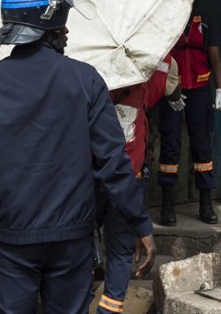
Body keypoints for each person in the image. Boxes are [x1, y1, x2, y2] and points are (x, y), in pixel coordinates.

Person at [0, 0, 156, 313]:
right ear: (51, 25)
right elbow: (113, 162)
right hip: (72, 240)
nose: (67, 31)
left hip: (11, 234)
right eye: (64, 23)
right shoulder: (86, 79)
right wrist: (139, 222)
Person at [98, 54, 181, 314]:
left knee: (79, 249)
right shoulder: (155, 70)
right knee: (121, 253)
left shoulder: (88, 75)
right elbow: (172, 82)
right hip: (128, 178)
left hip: (90, 179)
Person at [158, 10, 221, 225]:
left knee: (202, 146)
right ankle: (167, 205)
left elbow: (214, 56)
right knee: (170, 144)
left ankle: (205, 204)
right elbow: (159, 56)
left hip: (200, 89)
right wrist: (166, 89)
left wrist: (219, 89)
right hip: (173, 88)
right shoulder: (168, 17)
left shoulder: (205, 21)